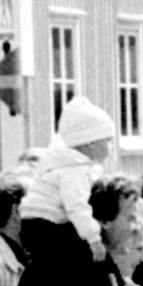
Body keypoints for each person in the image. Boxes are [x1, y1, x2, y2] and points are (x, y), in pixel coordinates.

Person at [21, 95, 116, 265]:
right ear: (90, 143)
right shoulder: (74, 169)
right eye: (108, 140)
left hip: (33, 222)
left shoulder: (66, 164)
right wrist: (94, 239)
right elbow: (77, 206)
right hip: (46, 224)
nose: (111, 146)